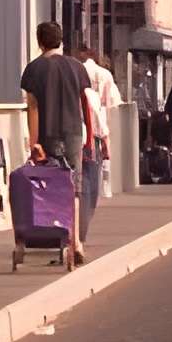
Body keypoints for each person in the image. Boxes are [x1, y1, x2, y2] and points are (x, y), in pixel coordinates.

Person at [20, 23, 93, 266]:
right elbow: (84, 103)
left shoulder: (33, 69)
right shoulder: (77, 67)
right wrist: (89, 136)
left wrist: (34, 143)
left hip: (47, 135)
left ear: (39, 41)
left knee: (50, 187)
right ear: (61, 40)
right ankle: (76, 242)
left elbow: (33, 108)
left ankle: (57, 236)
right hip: (74, 132)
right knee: (73, 187)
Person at [77, 43, 125, 237]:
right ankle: (82, 227)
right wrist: (106, 143)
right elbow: (112, 103)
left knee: (74, 185)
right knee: (90, 185)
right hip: (91, 139)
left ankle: (75, 227)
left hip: (71, 138)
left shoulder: (69, 85)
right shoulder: (100, 81)